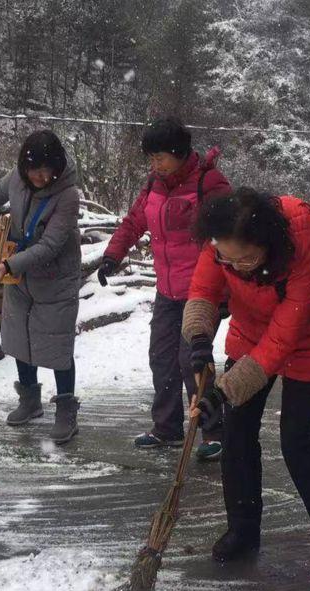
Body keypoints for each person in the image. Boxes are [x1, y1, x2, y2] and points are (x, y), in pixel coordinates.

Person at [182, 187, 310, 582]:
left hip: (309, 340)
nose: (236, 266)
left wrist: (222, 391)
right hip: (249, 333)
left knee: (298, 442)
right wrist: (197, 341)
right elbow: (204, 291)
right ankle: (243, 529)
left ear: (267, 244)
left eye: (246, 259)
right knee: (237, 435)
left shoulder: (299, 253)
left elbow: (282, 341)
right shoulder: (221, 242)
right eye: (227, 257)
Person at [98, 116, 231, 460]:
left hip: (201, 291)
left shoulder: (208, 184)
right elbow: (134, 221)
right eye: (151, 159)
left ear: (180, 153)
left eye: (160, 158)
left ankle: (214, 432)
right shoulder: (154, 185)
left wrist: (226, 290)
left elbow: (228, 236)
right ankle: (167, 427)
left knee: (192, 361)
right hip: (168, 290)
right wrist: (112, 256)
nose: (155, 165)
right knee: (162, 359)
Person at [0, 130, 82, 444]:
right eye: (32, 169)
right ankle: (30, 400)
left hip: (55, 280)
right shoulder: (17, 178)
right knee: (20, 336)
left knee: (57, 344)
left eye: (44, 169)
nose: (38, 175)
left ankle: (66, 409)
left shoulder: (68, 195)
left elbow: (50, 246)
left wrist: (10, 264)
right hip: (20, 277)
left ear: (56, 165)